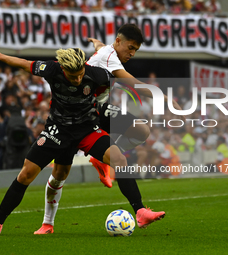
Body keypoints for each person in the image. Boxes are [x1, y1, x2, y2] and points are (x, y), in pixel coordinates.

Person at [34, 24, 184, 234]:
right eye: (130, 48)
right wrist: (165, 98)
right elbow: (132, 83)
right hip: (74, 118)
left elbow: (102, 48)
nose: (131, 53)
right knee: (59, 173)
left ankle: (139, 210)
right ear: (118, 41)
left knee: (141, 131)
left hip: (96, 109)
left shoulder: (108, 52)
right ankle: (47, 223)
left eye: (135, 50)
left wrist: (97, 43)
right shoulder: (109, 57)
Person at [0, 47, 127, 236]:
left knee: (64, 174)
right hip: (57, 131)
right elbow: (24, 64)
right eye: (72, 75)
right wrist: (0, 56)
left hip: (84, 130)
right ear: (63, 69)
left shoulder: (95, 74)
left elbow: (115, 77)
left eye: (80, 75)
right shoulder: (52, 69)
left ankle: (48, 223)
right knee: (28, 174)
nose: (77, 79)